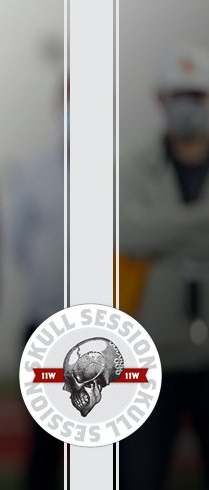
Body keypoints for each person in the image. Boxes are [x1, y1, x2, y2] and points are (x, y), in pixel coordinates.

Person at [119, 45, 209, 490]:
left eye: (197, 94)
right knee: (142, 474)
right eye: (179, 94)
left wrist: (164, 235)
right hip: (151, 353)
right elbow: (129, 235)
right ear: (161, 99)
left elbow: (148, 234)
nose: (188, 105)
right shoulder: (133, 165)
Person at [10, 81, 64, 490]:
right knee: (46, 444)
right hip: (46, 323)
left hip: (106, 328)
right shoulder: (35, 172)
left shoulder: (121, 171)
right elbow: (19, 243)